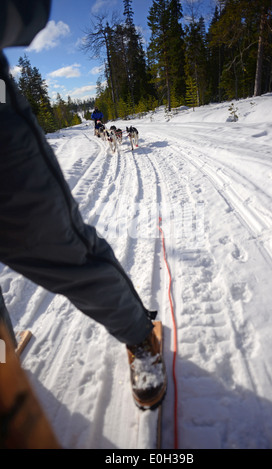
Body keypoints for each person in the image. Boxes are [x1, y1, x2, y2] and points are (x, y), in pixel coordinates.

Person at [0, 0, 166, 410]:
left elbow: (28, 11)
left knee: (65, 250)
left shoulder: (100, 114)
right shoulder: (95, 118)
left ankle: (138, 333)